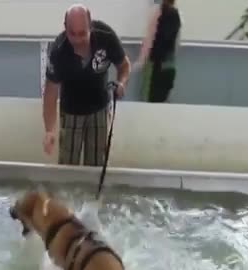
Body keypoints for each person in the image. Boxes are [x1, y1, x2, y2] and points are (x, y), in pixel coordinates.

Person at [42, 4, 131, 166]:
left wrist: (122, 82)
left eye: (82, 33)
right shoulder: (58, 51)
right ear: (65, 28)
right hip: (70, 113)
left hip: (100, 109)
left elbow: (124, 65)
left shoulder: (106, 36)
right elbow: (50, 93)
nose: (77, 40)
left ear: (90, 25)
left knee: (97, 166)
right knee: (68, 166)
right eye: (72, 33)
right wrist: (49, 130)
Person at [134, 0, 181, 103]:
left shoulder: (158, 12)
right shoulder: (176, 14)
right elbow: (176, 43)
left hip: (155, 66)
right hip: (169, 66)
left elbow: (149, 40)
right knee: (162, 102)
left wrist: (140, 62)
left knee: (149, 102)